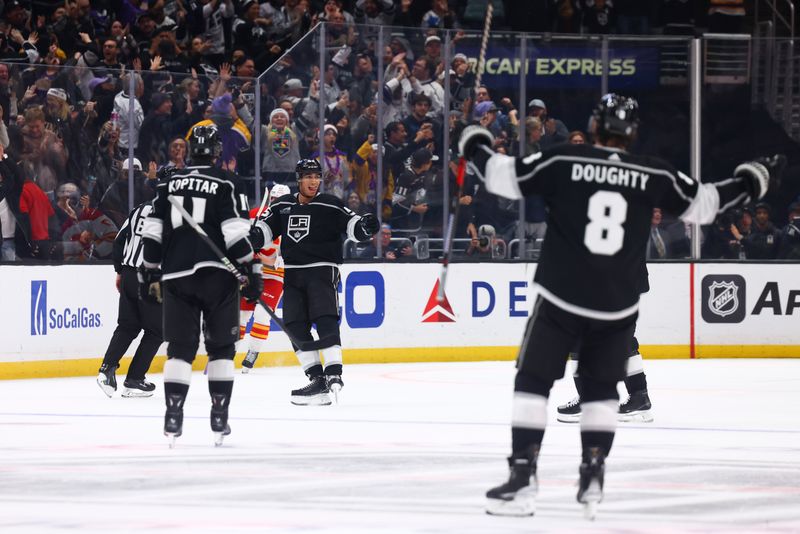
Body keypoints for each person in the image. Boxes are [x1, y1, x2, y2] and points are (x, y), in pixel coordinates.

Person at [458, 93, 781, 517]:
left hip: (561, 295)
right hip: (616, 303)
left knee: (533, 381)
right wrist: (751, 179)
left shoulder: (565, 160)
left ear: (594, 126)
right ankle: (593, 477)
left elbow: (501, 177)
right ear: (632, 133)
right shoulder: (652, 172)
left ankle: (522, 477)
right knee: (600, 392)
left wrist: (474, 143)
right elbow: (706, 204)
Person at [140, 125, 262, 446]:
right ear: (218, 153)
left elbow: (152, 230)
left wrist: (150, 270)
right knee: (221, 349)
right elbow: (236, 234)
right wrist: (252, 270)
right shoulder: (227, 182)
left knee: (179, 350)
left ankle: (173, 414)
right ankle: (219, 415)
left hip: (176, 276)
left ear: (190, 150)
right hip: (218, 276)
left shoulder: (169, 184)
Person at [251, 159, 380, 405]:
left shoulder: (330, 204)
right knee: (293, 325)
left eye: (317, 176)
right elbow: (265, 231)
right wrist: (255, 235)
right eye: (308, 176)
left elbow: (354, 227)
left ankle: (334, 373)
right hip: (292, 272)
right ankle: (317, 379)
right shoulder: (283, 206)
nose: (313, 181)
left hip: (322, 271)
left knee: (325, 319)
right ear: (299, 179)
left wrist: (365, 227)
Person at [96, 199, 162, 398]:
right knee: (157, 330)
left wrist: (120, 271)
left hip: (129, 275)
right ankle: (134, 379)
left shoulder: (139, 209)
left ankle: (106, 370)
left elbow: (119, 239)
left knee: (127, 325)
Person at [240, 183, 291, 372]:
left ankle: (253, 352)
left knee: (262, 314)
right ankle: (229, 352)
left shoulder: (294, 220)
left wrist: (274, 260)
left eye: (281, 201)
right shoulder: (254, 215)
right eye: (274, 200)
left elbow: (296, 253)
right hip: (249, 272)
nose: (276, 203)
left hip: (274, 276)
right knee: (241, 314)